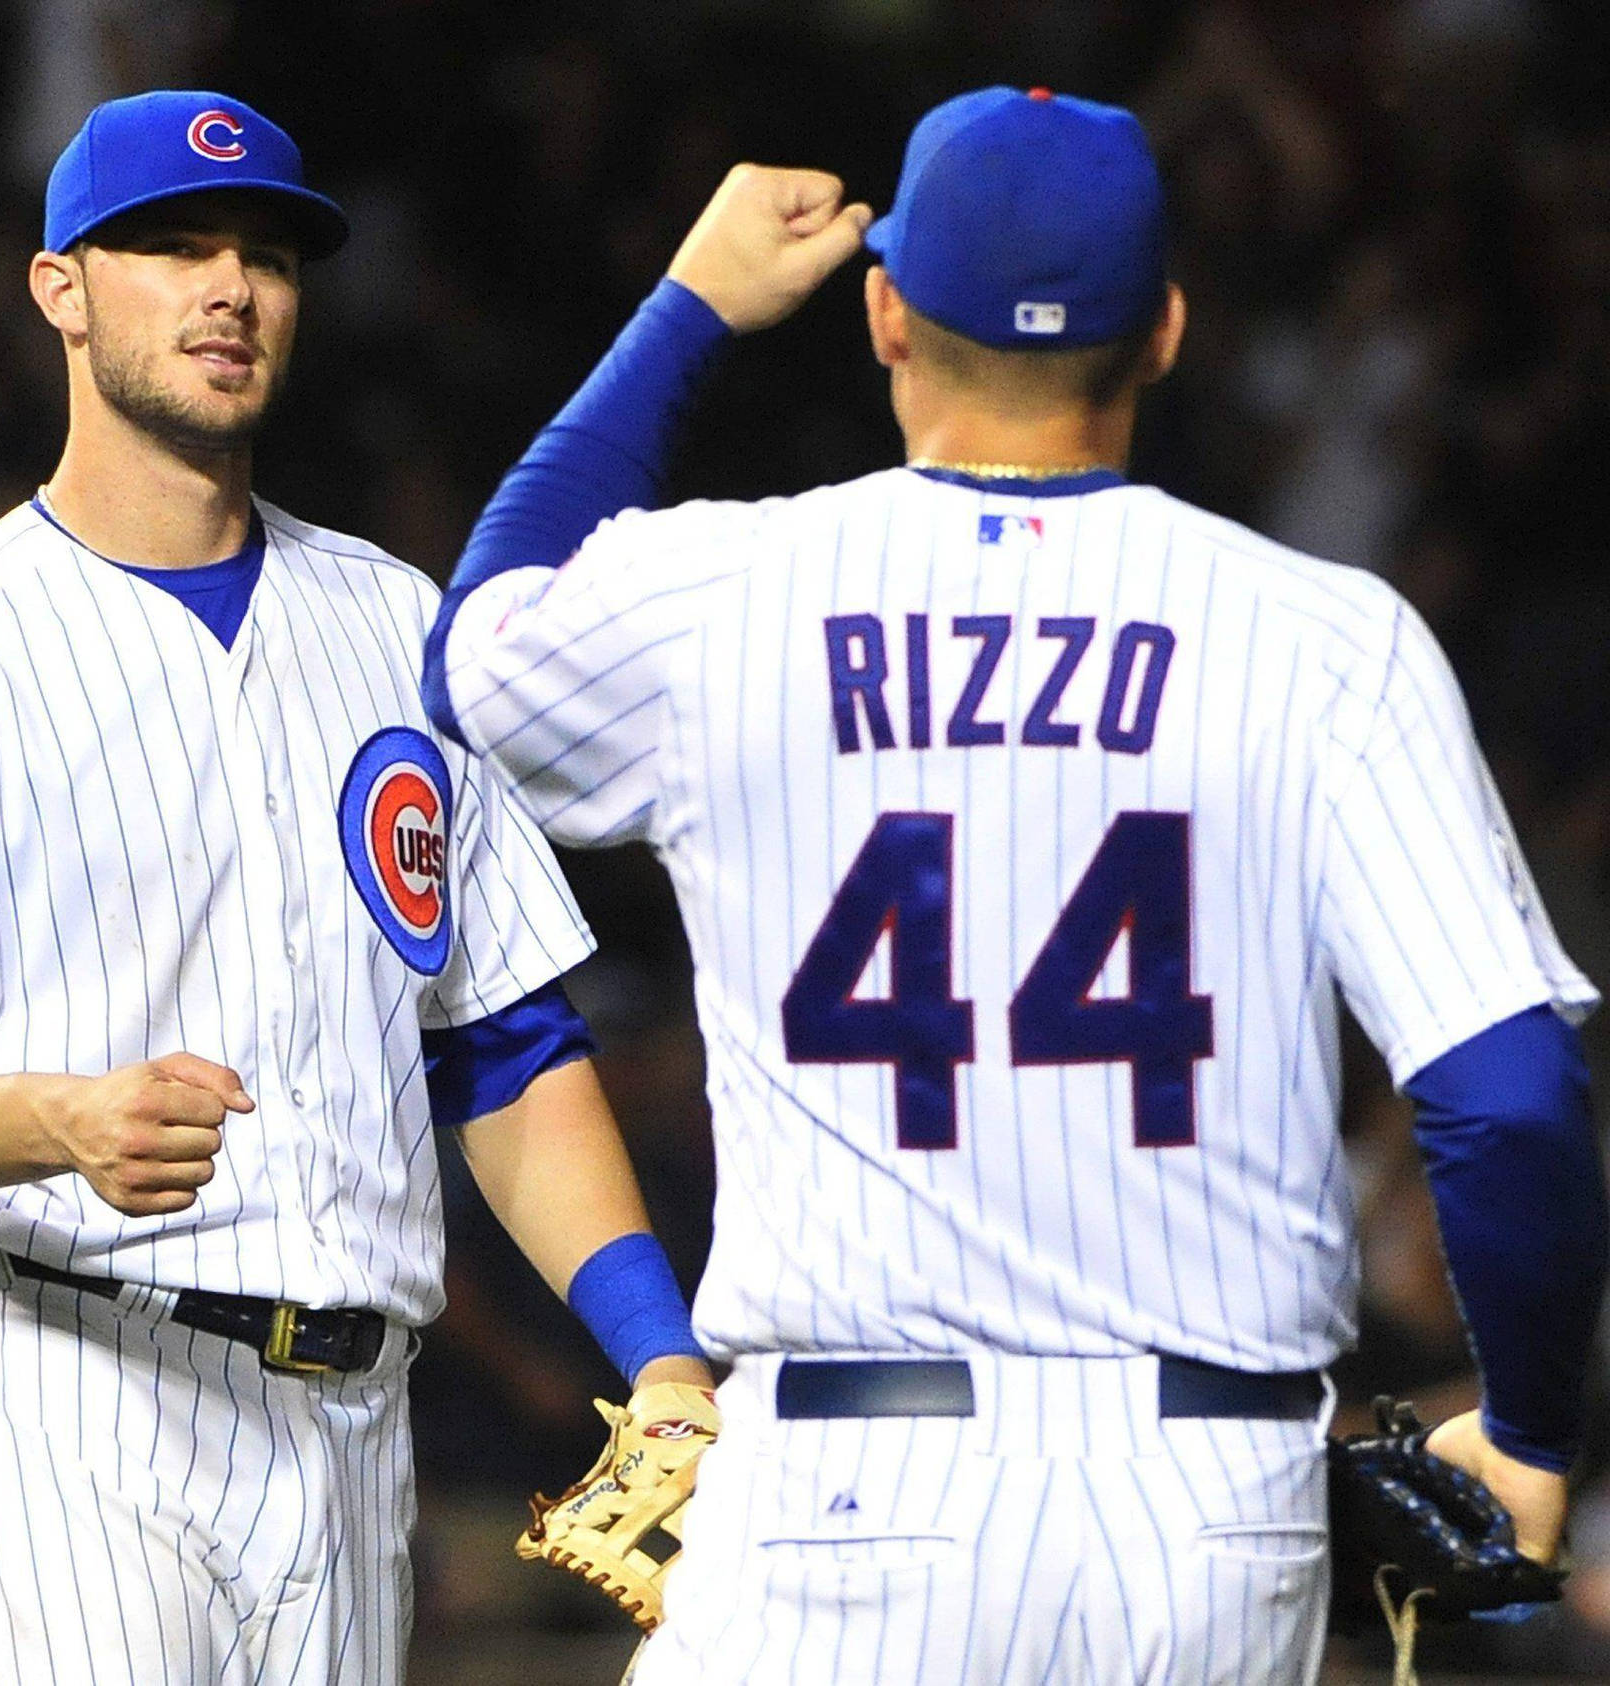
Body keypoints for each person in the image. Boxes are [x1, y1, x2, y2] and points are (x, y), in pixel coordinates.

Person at [422, 87, 1607, 1683]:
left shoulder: (726, 597)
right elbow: (1510, 1098)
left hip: (844, 1482)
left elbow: (477, 640)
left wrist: (692, 305)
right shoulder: (1333, 640)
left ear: (888, 313)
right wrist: (1531, 1426)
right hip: (1210, 1505)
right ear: (1168, 330)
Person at [0, 90, 711, 1685]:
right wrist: (57, 1119)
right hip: (62, 1388)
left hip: (346, 1428)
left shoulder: (398, 628)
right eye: (172, 245)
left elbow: (506, 1047)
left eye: (265, 251)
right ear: (61, 289)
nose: (229, 285)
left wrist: (659, 1351)